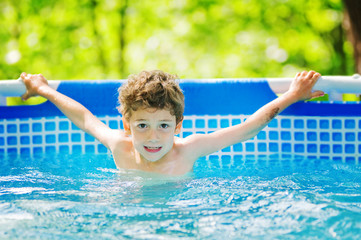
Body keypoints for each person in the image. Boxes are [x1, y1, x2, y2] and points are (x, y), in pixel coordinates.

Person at [20, 70, 324, 175]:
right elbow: (83, 117)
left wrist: (291, 95)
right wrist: (44, 90)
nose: (153, 136)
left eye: (163, 126)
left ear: (178, 125)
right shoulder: (119, 145)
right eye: (142, 125)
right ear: (126, 124)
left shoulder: (188, 150)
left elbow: (248, 128)